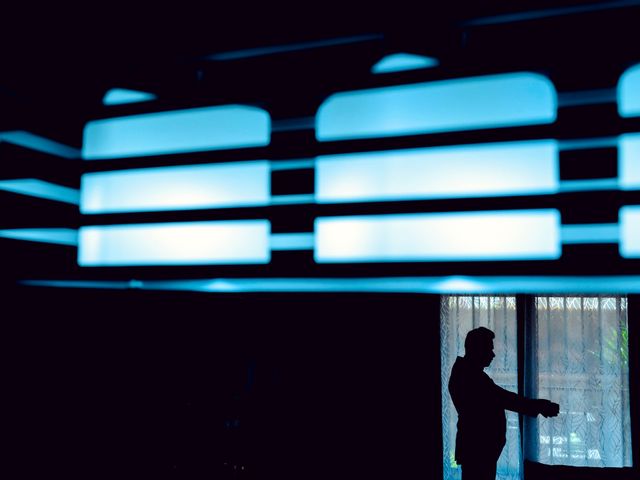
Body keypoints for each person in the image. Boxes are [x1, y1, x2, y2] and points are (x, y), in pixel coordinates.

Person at [448, 327, 559, 480]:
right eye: (489, 349)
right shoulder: (470, 376)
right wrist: (539, 406)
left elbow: (501, 398)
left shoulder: (468, 372)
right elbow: (503, 398)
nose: (492, 354)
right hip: (478, 449)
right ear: (477, 349)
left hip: (478, 449)